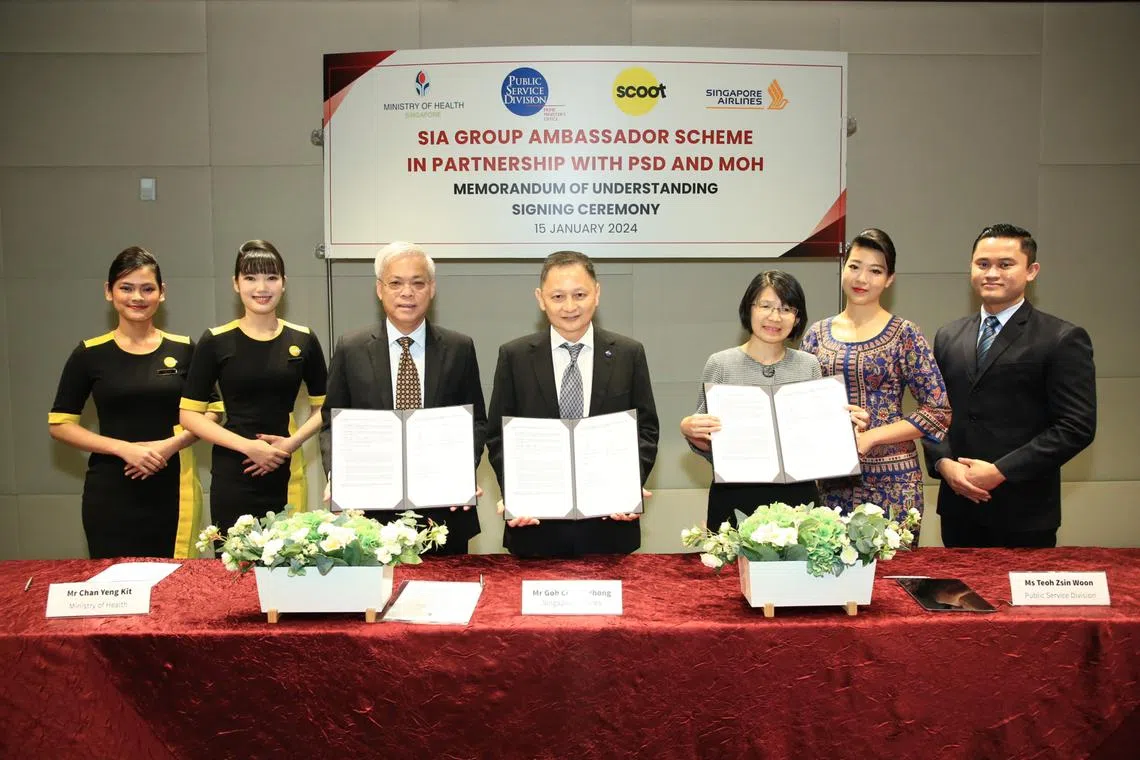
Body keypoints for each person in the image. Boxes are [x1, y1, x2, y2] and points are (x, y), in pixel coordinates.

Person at [922, 223, 1096, 548]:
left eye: (1005, 265)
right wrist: (943, 464)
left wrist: (1001, 470)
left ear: (1031, 271)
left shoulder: (1061, 338)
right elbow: (933, 413)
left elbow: (1076, 426)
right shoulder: (948, 335)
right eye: (983, 264)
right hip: (958, 509)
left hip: (1024, 512)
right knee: (956, 598)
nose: (991, 273)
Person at [486, 250, 659, 557]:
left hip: (610, 526)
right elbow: (499, 435)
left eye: (580, 294)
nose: (569, 307)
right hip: (535, 528)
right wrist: (515, 493)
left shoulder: (628, 354)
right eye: (557, 296)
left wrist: (629, 487)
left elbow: (646, 430)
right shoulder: (514, 356)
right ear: (540, 299)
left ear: (597, 293)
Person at [318, 241, 487, 554]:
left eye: (417, 283)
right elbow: (331, 422)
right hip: (369, 510)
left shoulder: (459, 347)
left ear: (432, 288)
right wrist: (337, 474)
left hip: (442, 511)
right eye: (396, 283)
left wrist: (462, 470)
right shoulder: (350, 347)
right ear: (379, 289)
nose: (407, 292)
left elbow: (476, 422)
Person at [49, 247, 215, 558]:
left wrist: (169, 446)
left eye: (147, 288)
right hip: (110, 490)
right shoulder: (89, 354)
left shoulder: (184, 349)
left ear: (162, 293)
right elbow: (60, 424)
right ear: (108, 292)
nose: (137, 297)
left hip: (173, 486)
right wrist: (124, 448)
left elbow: (213, 413)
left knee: (175, 588)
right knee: (113, 584)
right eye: (126, 287)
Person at [801, 228, 951, 540]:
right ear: (843, 267)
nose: (862, 279)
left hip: (894, 481)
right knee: (829, 573)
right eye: (854, 266)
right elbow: (800, 404)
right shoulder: (817, 334)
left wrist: (873, 437)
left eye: (875, 270)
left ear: (890, 278)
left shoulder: (905, 334)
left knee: (892, 580)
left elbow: (938, 411)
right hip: (833, 480)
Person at [180, 240, 328, 534]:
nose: (262, 287)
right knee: (232, 566)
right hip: (232, 470)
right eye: (250, 278)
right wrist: (248, 447)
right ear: (236, 284)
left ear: (284, 284)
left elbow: (325, 406)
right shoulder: (215, 340)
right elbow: (189, 415)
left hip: (285, 465)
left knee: (289, 560)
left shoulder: (303, 339)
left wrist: (290, 444)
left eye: (271, 277)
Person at [680, 271, 825, 529]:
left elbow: (816, 436)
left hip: (798, 498)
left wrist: (841, 427)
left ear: (797, 317)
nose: (774, 317)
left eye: (786, 308)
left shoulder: (809, 365)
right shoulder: (721, 364)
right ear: (749, 309)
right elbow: (705, 441)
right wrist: (691, 431)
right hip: (735, 496)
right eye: (766, 306)